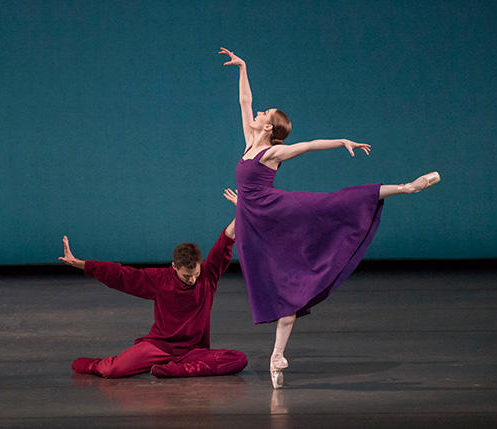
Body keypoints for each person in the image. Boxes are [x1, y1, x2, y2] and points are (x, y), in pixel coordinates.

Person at [219, 47, 440, 389]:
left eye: (265, 112)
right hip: (254, 222)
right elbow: (245, 101)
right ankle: (278, 357)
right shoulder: (250, 139)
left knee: (336, 204)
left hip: (277, 212)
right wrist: (243, 68)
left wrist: (341, 141)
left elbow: (306, 145)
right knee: (277, 287)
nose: (259, 110)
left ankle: (406, 188)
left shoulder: (272, 151)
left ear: (269, 127)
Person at [58, 217, 247, 379]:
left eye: (195, 274)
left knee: (238, 359)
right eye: (186, 276)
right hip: (159, 347)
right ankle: (96, 365)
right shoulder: (160, 279)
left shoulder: (208, 275)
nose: (192, 279)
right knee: (113, 370)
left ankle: (175, 371)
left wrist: (240, 211)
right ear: (174, 267)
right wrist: (81, 264)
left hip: (193, 351)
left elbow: (225, 242)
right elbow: (121, 275)